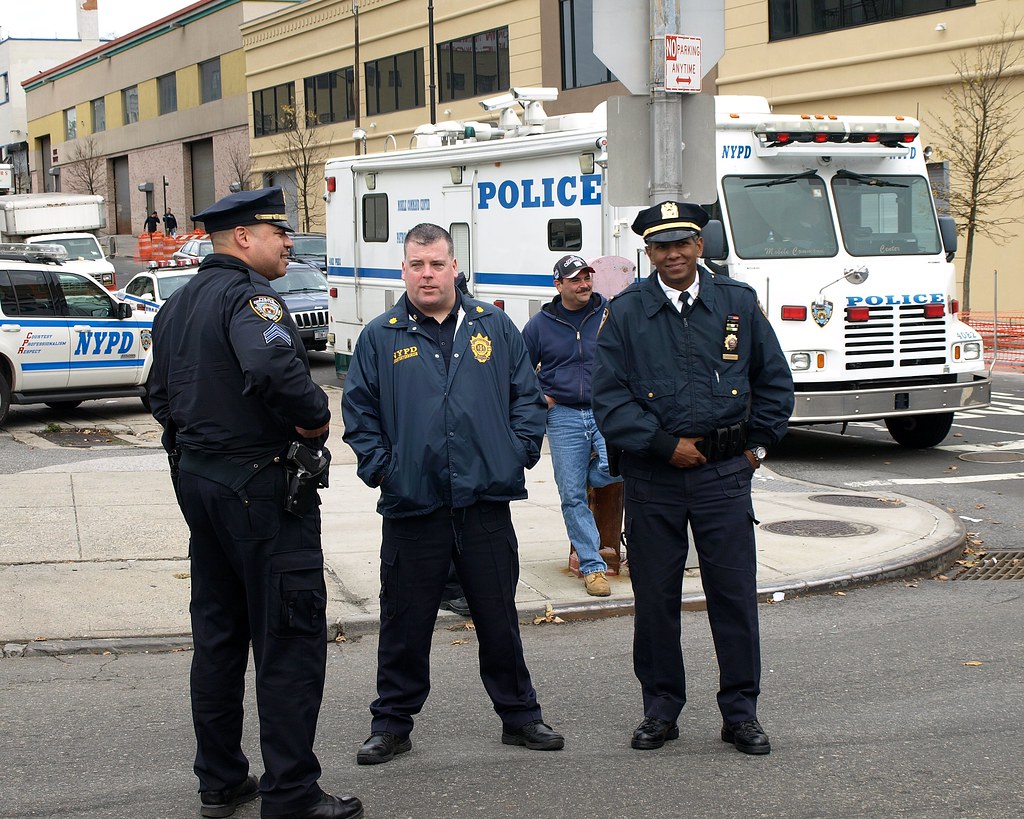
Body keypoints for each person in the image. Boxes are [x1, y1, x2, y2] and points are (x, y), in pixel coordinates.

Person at [148, 187, 362, 819]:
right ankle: (291, 792)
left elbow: (159, 397)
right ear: (244, 238)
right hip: (261, 492)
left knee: (218, 637)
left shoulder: (180, 304)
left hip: (204, 487)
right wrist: (314, 421)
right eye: (278, 233)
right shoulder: (251, 297)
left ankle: (220, 779)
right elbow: (273, 367)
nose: (289, 243)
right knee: (288, 638)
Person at [342, 222, 564, 765]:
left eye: (436, 264)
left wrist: (515, 454)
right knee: (404, 621)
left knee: (497, 617)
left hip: (483, 504)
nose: (426, 274)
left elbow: (528, 399)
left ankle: (521, 717)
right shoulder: (380, 335)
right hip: (412, 505)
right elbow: (359, 414)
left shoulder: (495, 326)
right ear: (403, 270)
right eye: (416, 265)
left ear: (454, 266)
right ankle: (391, 724)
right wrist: (385, 471)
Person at [591, 201, 794, 756]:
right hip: (654, 479)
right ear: (648, 253)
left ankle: (741, 714)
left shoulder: (737, 303)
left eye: (683, 242)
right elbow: (608, 398)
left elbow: (774, 381)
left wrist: (756, 449)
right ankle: (660, 710)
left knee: (732, 597)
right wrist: (663, 445)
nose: (673, 254)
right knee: (655, 599)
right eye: (661, 246)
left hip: (725, 476)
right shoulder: (627, 312)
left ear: (700, 245)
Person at [521, 254, 621, 597]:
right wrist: (539, 395)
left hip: (605, 410)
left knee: (620, 466)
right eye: (575, 279)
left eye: (587, 277)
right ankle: (593, 568)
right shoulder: (540, 324)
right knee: (572, 494)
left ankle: (587, 471)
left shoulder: (608, 315)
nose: (584, 284)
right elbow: (517, 369)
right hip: (562, 415)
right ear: (558, 284)